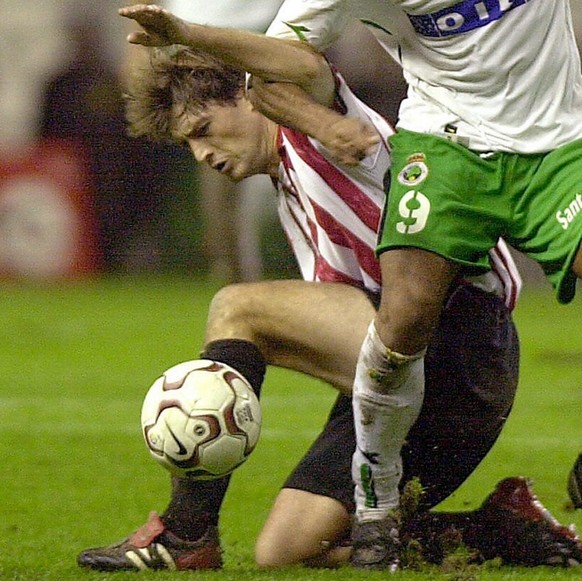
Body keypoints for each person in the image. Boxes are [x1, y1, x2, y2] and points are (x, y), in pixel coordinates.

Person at [76, 5, 582, 572]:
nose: (204, 155)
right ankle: (499, 528)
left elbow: (295, 62)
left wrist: (194, 38)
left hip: (458, 341)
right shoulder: (287, 191)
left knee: (237, 308)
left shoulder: (309, 118)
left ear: (249, 96)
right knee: (286, 550)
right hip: (422, 406)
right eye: (188, 146)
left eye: (202, 131)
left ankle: (187, 532)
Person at [254, 0, 582, 569]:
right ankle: (376, 504)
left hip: (557, 144)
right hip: (445, 147)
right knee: (403, 318)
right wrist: (327, 125)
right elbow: (270, 77)